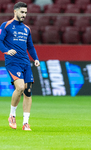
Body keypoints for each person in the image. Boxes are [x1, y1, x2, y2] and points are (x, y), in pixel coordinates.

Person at [0, 2, 40, 131]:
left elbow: (30, 46)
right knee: (20, 87)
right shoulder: (6, 25)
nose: (24, 15)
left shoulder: (26, 28)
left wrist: (36, 59)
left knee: (28, 91)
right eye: (22, 12)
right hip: (13, 62)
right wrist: (6, 51)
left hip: (25, 62)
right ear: (15, 11)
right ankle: (12, 115)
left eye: (25, 13)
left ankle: (26, 123)